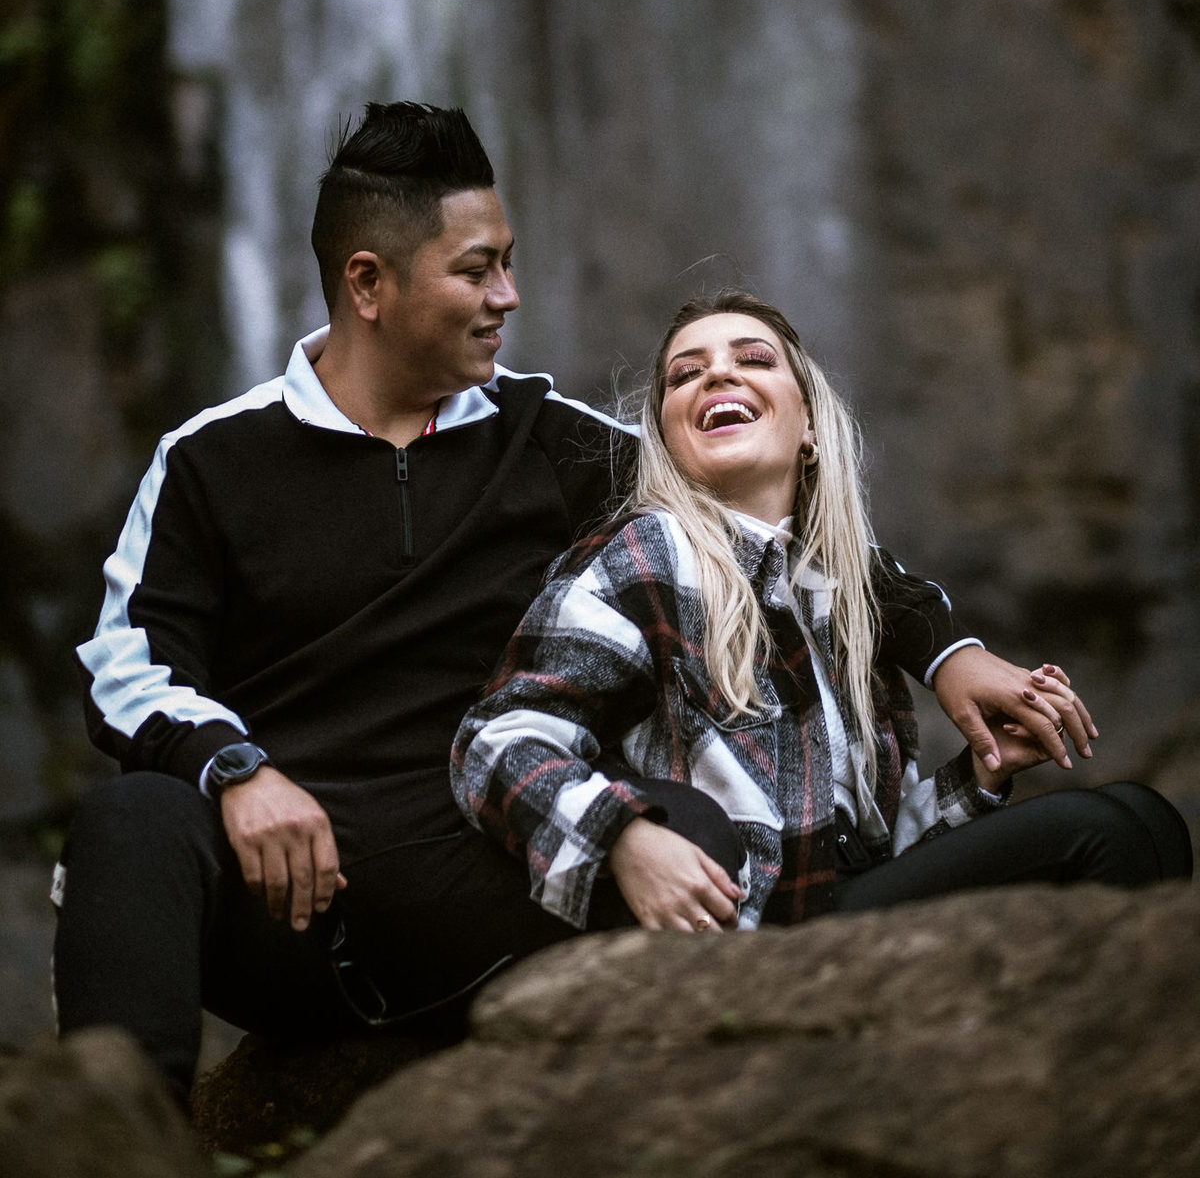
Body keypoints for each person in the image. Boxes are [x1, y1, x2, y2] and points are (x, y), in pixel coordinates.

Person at [54, 107, 1099, 1107]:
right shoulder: (210, 460)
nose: (509, 295)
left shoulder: (550, 435)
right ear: (368, 284)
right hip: (283, 894)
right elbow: (126, 664)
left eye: (507, 261)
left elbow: (771, 531)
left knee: (691, 827)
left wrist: (947, 648)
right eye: (479, 269)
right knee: (131, 820)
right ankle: (113, 1136)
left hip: (493, 882)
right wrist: (235, 773)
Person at [452, 292, 1190, 934]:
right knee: (1103, 831)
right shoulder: (646, 555)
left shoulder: (833, 594)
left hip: (842, 910)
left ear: (809, 423)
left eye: (754, 359)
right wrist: (622, 837)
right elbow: (497, 740)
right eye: (686, 373)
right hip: (757, 929)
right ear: (667, 444)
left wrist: (982, 776)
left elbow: (873, 853)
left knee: (1149, 819)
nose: (718, 373)